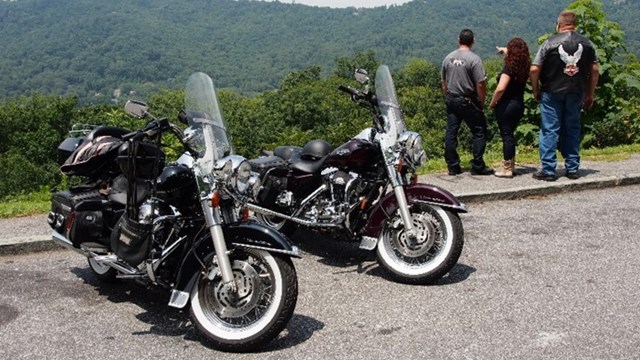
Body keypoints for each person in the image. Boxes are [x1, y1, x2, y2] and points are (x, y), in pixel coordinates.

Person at [530, 10, 599, 181]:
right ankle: (573, 168)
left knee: (549, 129)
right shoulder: (587, 44)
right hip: (577, 90)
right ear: (574, 24)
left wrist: (535, 89)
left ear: (559, 24)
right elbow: (595, 70)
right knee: (572, 128)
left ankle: (548, 170)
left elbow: (534, 68)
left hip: (552, 91)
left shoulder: (549, 43)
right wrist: (590, 93)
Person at [441, 29, 494, 176]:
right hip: (468, 99)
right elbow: (481, 84)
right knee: (479, 131)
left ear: (458, 40)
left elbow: (443, 82)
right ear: (473, 41)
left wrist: (448, 96)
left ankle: (453, 166)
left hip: (452, 98)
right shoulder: (474, 59)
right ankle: (478, 165)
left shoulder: (448, 58)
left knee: (451, 132)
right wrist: (481, 101)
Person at [489, 38, 531, 178]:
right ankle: (511, 165)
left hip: (506, 105)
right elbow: (514, 54)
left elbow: (501, 88)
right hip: (519, 104)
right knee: (510, 135)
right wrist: (505, 50)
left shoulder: (509, 68)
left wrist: (493, 102)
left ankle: (507, 169)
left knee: (506, 136)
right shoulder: (524, 66)